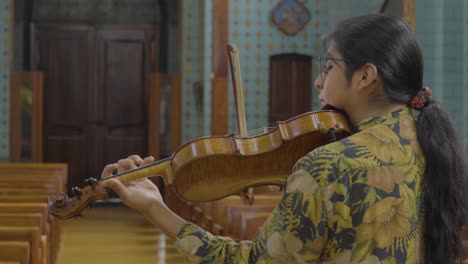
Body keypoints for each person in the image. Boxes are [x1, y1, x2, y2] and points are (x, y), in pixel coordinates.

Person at [101, 15, 466, 263]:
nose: (318, 81)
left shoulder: (327, 166)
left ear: (366, 76)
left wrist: (154, 207)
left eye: (328, 67)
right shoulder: (436, 147)